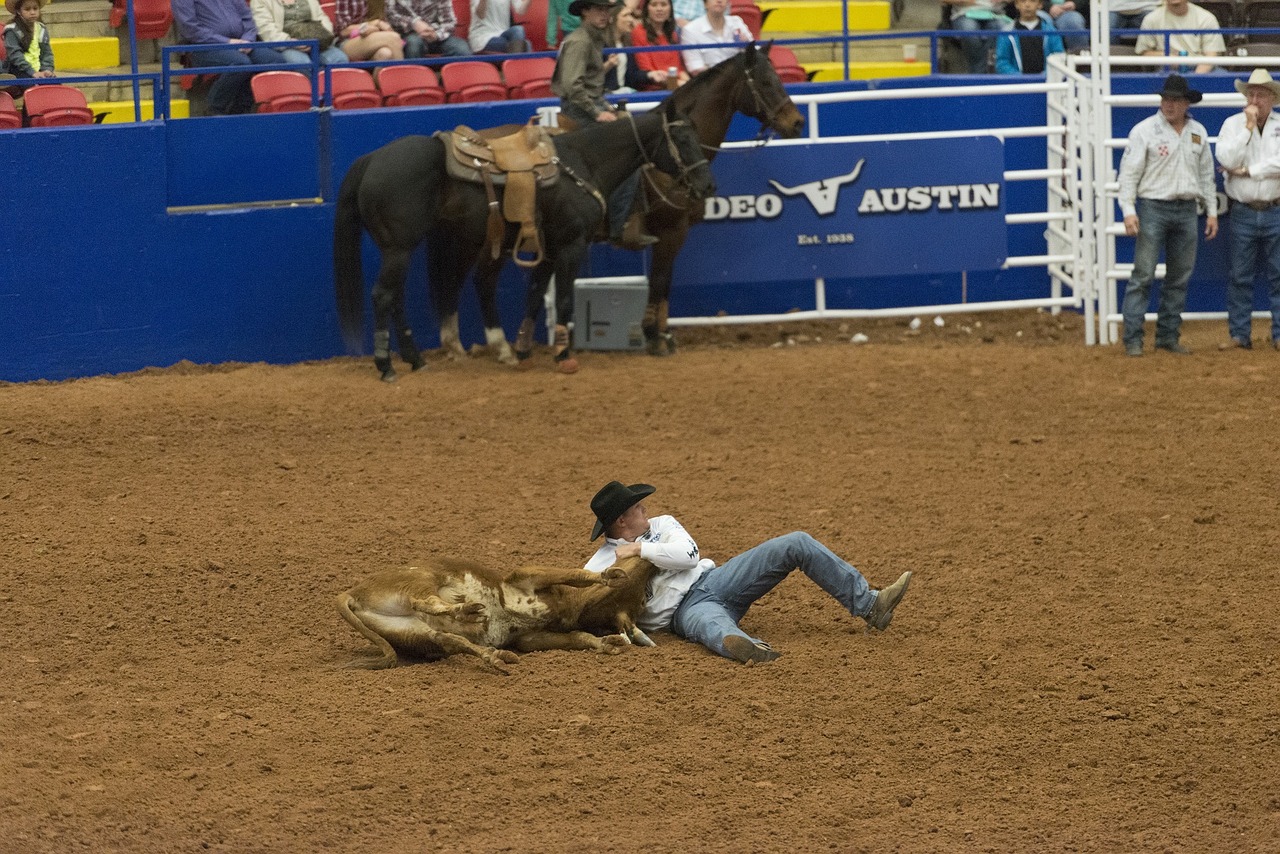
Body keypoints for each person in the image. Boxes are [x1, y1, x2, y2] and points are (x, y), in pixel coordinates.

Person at [584, 482, 913, 664]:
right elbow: (583, 608)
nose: (646, 510)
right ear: (622, 522)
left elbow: (689, 555)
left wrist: (641, 550)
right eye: (638, 508)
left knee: (795, 542)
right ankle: (749, 648)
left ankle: (871, 605)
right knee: (712, 627)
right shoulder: (597, 567)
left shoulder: (663, 524)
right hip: (683, 613)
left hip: (716, 578)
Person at [1116, 74, 1218, 357]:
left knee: (1178, 277)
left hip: (1185, 208)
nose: (1169, 104)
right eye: (1166, 99)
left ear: (1186, 103)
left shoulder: (1197, 131)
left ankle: (1166, 336)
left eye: (1175, 100)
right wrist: (1128, 209)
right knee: (1144, 275)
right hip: (1153, 206)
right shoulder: (1144, 131)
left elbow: (1206, 174)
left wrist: (1211, 211)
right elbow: (1128, 174)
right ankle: (1134, 339)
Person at [552, 0, 658, 249]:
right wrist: (596, 112)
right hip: (578, 111)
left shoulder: (593, 38)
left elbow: (588, 85)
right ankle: (617, 227)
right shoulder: (580, 41)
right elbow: (572, 87)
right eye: (598, 9)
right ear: (585, 12)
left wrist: (603, 106)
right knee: (628, 161)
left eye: (606, 10)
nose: (604, 14)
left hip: (587, 106)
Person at [1215, 68, 1280, 352]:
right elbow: (1226, 158)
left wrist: (1249, 171)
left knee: (1279, 275)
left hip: (1275, 209)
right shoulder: (1233, 124)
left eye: (1261, 94)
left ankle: (1278, 335)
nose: (1255, 99)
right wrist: (1248, 128)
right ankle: (1239, 334)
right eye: (1251, 93)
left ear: (1272, 98)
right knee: (1239, 275)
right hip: (1242, 209)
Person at [172, 0, 289, 115]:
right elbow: (189, 29)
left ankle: (240, 110)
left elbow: (248, 18)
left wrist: (248, 39)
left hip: (241, 41)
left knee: (275, 61)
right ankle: (213, 109)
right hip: (203, 46)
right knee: (240, 64)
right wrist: (227, 42)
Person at [250, 0, 349, 66]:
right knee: (300, 62)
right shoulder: (260, 1)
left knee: (339, 59)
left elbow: (321, 17)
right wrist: (290, 42)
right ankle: (311, 96)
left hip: (316, 40)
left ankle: (330, 96)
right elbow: (265, 28)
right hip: (287, 44)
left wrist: (322, 36)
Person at [1135, 0, 1224, 73]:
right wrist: (1166, 56)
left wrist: (1195, 79)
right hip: (1167, 68)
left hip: (1203, 67)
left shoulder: (1206, 18)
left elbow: (1211, 55)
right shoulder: (1151, 19)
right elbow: (1144, 53)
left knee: (1224, 79)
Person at [680, 0, 750, 76]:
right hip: (708, 82)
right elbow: (696, 68)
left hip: (740, 79)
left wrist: (747, 46)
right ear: (705, 4)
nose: (719, 1)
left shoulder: (737, 22)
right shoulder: (690, 30)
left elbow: (756, 53)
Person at [995, 0, 1065, 75]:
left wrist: (1045, 76)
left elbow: (1059, 57)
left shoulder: (1051, 32)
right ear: (1016, 5)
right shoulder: (1007, 33)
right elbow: (1002, 62)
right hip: (1016, 84)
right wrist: (1019, 78)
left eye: (1032, 1)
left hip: (1046, 84)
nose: (1027, 5)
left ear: (1040, 4)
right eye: (1023, 1)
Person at [385, 0, 470, 59]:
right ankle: (414, 82)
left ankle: (447, 82)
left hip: (436, 34)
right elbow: (390, 16)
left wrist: (436, 35)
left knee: (461, 48)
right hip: (408, 33)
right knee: (414, 43)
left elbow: (449, 22)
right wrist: (414, 23)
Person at [941, 0, 1007, 74]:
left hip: (996, 14)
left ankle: (982, 73)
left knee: (1004, 29)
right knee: (969, 30)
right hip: (964, 13)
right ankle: (978, 73)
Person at [631, 0, 687, 89]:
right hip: (654, 89)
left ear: (670, 9)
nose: (659, 9)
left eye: (664, 4)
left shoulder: (673, 34)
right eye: (654, 5)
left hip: (676, 87)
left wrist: (688, 83)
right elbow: (647, 70)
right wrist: (682, 85)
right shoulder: (638, 32)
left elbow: (679, 69)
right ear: (647, 9)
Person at [331, 0, 404, 61]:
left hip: (375, 36)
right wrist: (372, 24)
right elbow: (343, 31)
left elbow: (384, 21)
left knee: (385, 53)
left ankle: (378, 78)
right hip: (347, 42)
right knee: (393, 38)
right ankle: (402, 77)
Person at [3, 0, 54, 80]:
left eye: (35, 8)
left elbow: (47, 52)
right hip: (17, 70)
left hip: (39, 69)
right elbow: (15, 55)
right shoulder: (11, 30)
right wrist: (32, 72)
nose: (32, 12)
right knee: (31, 85)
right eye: (27, 9)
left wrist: (47, 69)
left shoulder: (42, 29)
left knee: (54, 85)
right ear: (19, 11)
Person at [467, 0, 532, 53]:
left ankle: (512, 66)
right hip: (483, 37)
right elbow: (481, 15)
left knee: (519, 30)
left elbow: (520, 10)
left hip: (502, 32)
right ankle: (514, 66)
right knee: (525, 45)